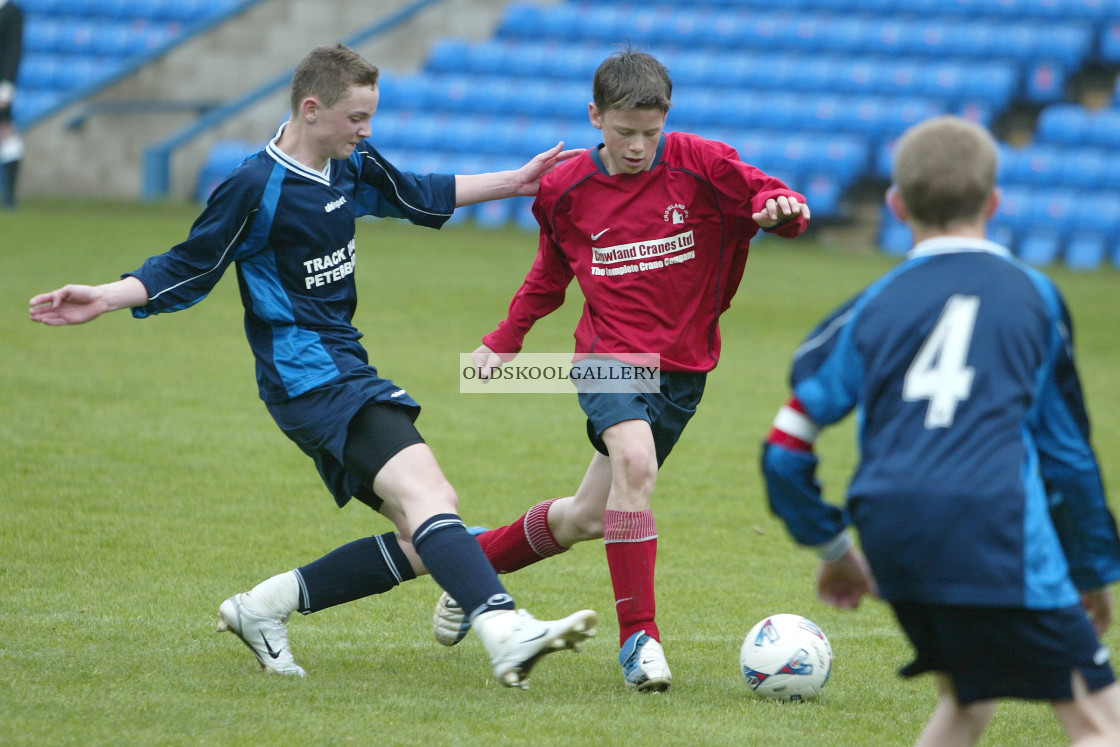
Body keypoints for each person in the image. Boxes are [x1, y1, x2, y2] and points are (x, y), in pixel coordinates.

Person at [28, 43, 599, 689]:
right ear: (311, 107)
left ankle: (262, 608)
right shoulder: (254, 186)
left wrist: (514, 182)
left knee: (425, 535)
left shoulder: (347, 163)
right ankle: (504, 627)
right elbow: (188, 265)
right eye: (357, 116)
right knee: (431, 496)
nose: (367, 129)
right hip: (308, 376)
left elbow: (412, 194)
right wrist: (106, 295)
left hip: (341, 365)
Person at [431, 48, 811, 692]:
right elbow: (552, 272)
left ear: (666, 120)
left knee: (587, 516)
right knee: (636, 464)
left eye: (649, 133)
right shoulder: (566, 187)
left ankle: (470, 565)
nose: (637, 147)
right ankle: (641, 642)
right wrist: (507, 339)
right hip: (609, 357)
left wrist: (787, 212)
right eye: (623, 132)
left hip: (685, 369)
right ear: (595, 117)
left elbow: (775, 198)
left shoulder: (702, 163)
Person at [761, 115, 1120, 745]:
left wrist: (835, 550)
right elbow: (1067, 458)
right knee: (1099, 721)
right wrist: (1090, 571)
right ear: (995, 203)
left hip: (893, 532)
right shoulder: (1034, 296)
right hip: (996, 528)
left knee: (965, 700)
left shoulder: (870, 306)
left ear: (897, 206)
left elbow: (785, 448)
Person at [0, 0, 23, 209]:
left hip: (1, 85)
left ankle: (9, 195)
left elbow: (13, 52)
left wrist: (6, 87)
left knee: (5, 130)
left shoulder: (12, 13)